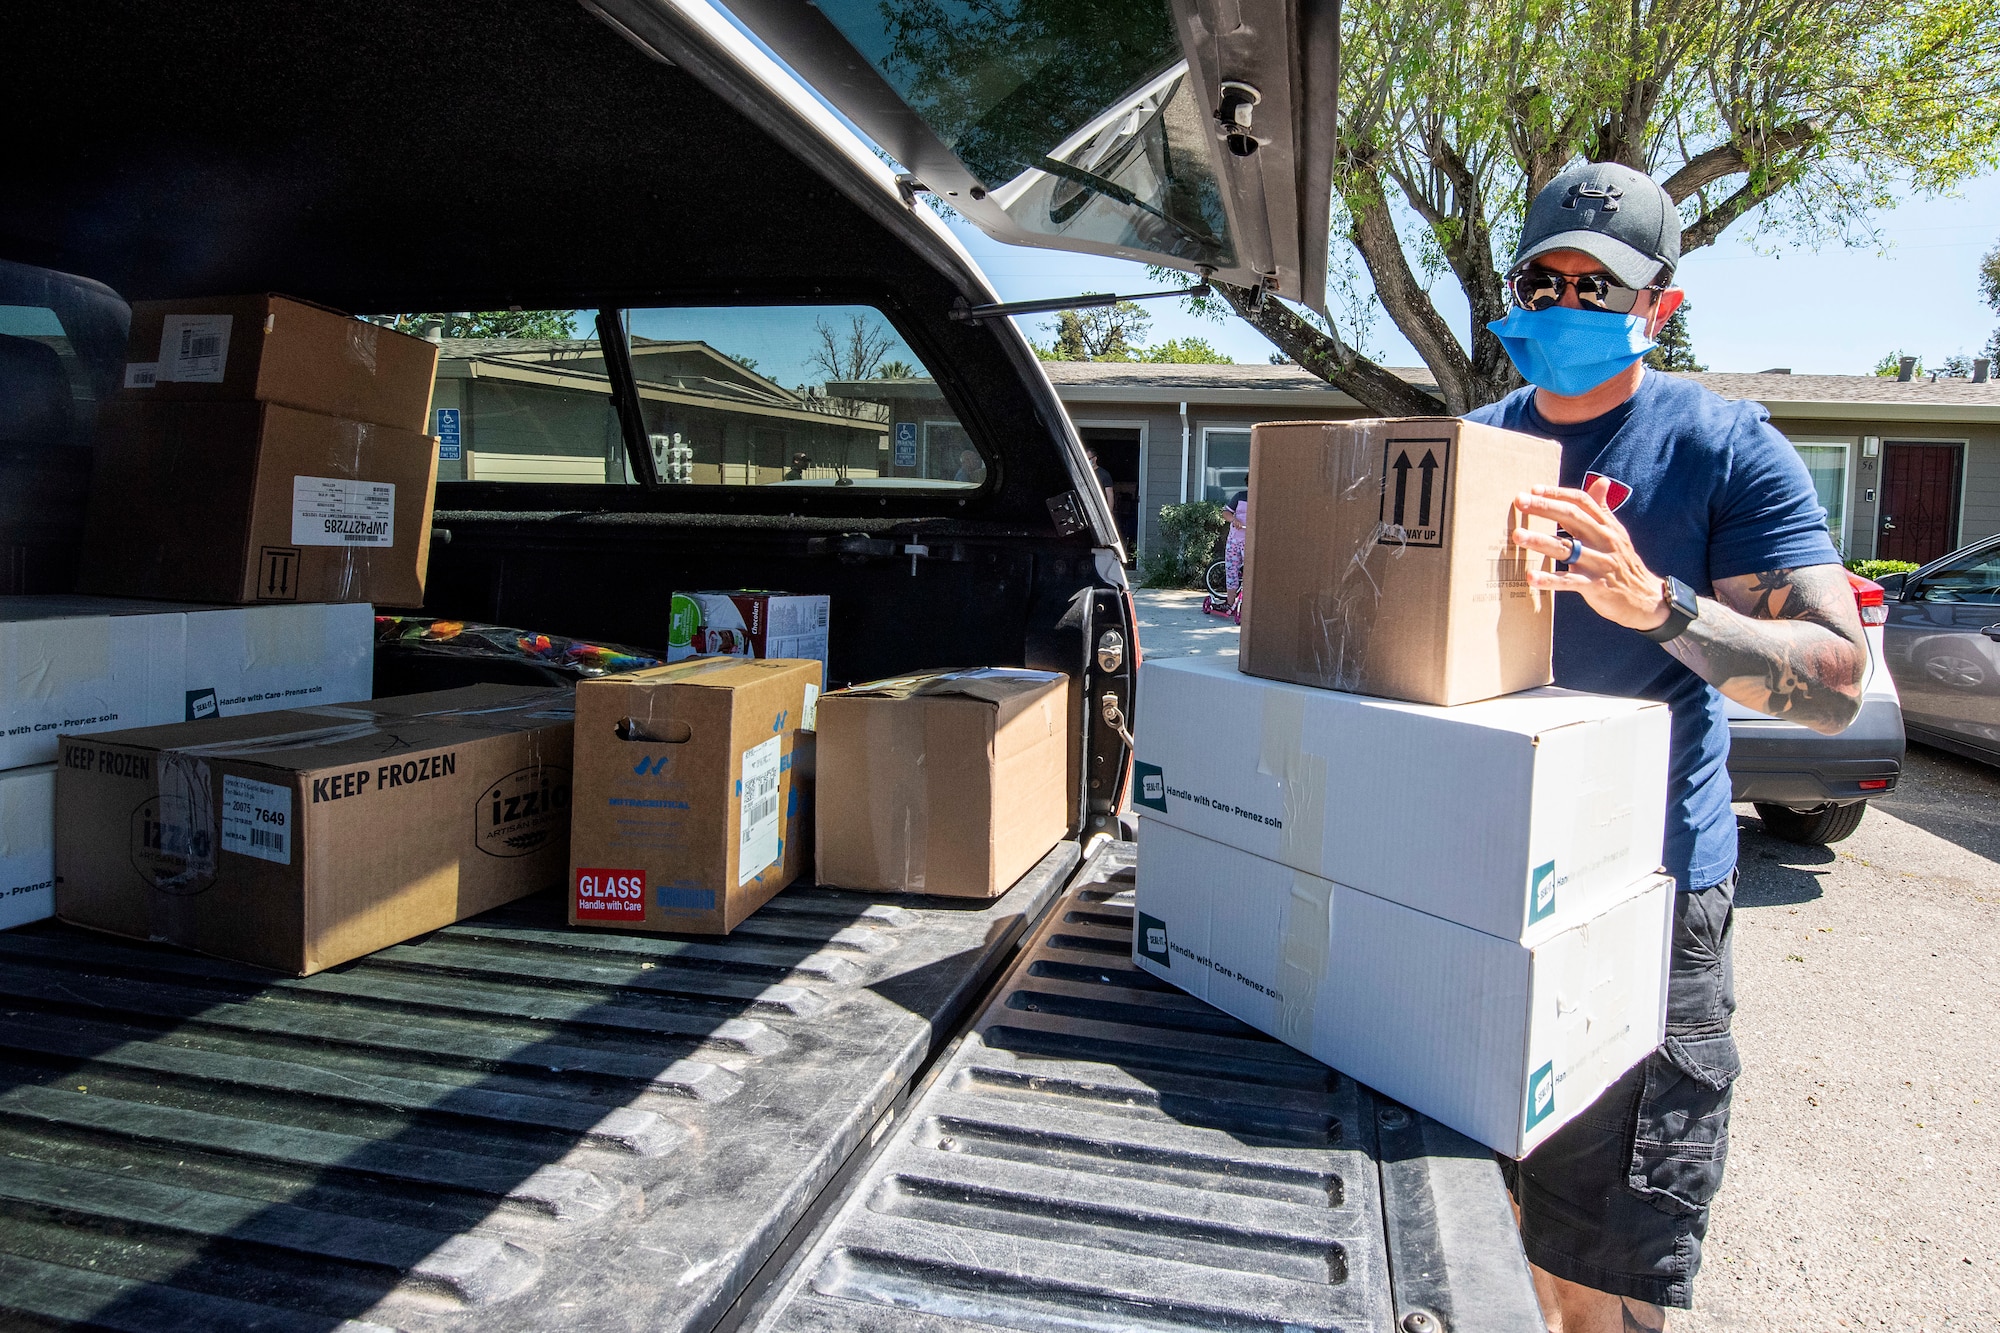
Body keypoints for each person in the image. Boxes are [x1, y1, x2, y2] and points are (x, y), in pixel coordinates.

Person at [1466, 161, 1866, 1331]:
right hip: (1481, 886)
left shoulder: (1722, 445)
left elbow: (1834, 685)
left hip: (1644, 903)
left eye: (1601, 287)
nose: (1566, 307)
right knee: (1471, 1233)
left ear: (1661, 307)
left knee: (1602, 1271)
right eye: (1544, 279)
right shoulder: (1476, 446)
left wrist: (1664, 609)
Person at [1222, 488, 1249, 596]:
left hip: (1250, 541)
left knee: (1251, 573)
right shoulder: (1240, 496)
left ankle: (1248, 605)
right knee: (1231, 572)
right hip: (1234, 540)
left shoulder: (1263, 498)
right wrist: (1234, 520)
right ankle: (1230, 603)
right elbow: (1226, 512)